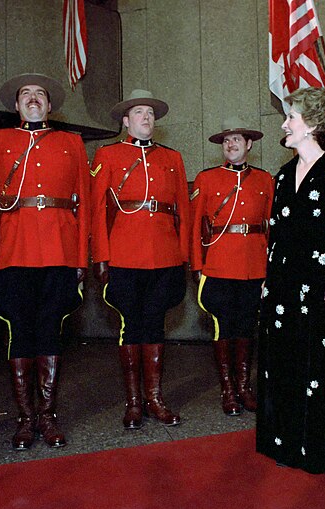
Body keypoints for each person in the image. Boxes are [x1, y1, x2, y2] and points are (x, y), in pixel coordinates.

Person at [255, 88, 325, 475]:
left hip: (320, 281)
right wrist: (269, 281)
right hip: (284, 280)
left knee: (319, 361)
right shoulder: (284, 173)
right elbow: (277, 232)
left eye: (291, 117)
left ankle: (322, 446)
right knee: (282, 357)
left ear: (314, 124)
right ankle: (284, 443)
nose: (284, 123)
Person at [0, 73, 89, 450]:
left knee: (51, 330)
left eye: (39, 94)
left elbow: (84, 202)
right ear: (15, 105)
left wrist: (81, 258)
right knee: (18, 331)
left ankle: (47, 415)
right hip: (11, 249)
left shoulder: (71, 142)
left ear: (50, 104)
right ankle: (26, 417)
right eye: (25, 94)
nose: (32, 98)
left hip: (59, 247)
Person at [90, 89, 190, 429]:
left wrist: (184, 255)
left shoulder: (172, 158)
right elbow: (97, 210)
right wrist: (101, 256)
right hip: (124, 253)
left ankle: (155, 399)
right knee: (130, 326)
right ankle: (134, 403)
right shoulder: (108, 154)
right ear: (125, 120)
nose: (146, 117)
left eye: (150, 112)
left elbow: (184, 212)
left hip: (164, 254)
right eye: (138, 112)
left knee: (156, 324)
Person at [190, 118, 273, 416]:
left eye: (237, 139)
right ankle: (227, 389)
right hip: (219, 263)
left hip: (254, 264)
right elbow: (194, 225)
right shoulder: (207, 179)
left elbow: (271, 227)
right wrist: (198, 264)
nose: (231, 144)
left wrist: (270, 269)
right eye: (226, 141)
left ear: (249, 144)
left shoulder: (265, 180)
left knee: (247, 325)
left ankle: (244, 387)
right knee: (223, 326)